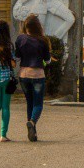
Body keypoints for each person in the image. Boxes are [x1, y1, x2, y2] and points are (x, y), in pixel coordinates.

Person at [15, 14, 51, 142]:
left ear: (26, 26)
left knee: (29, 103)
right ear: (38, 26)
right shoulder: (43, 40)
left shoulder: (20, 39)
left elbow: (17, 57)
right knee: (38, 104)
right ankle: (32, 122)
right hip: (37, 75)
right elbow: (48, 60)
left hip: (24, 75)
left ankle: (32, 133)